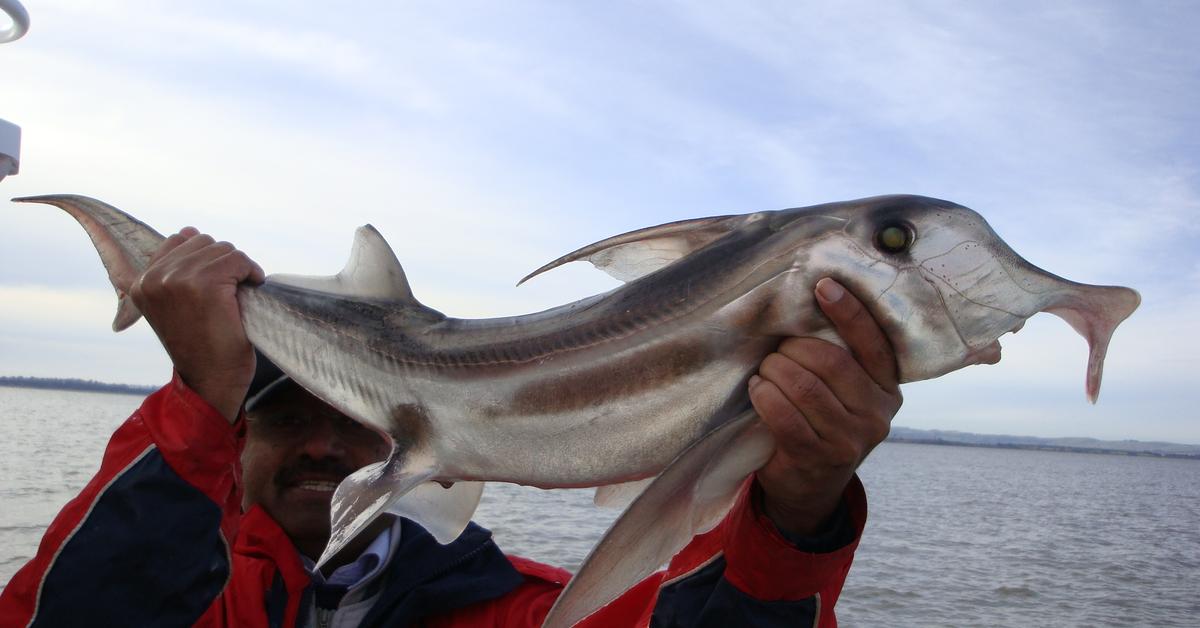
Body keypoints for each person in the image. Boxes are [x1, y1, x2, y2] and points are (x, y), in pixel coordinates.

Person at [0, 228, 901, 627]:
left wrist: (796, 507)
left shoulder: (515, 609)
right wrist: (197, 394)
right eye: (281, 414)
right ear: (232, 439)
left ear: (410, 438)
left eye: (356, 417)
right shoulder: (189, 598)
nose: (323, 445)